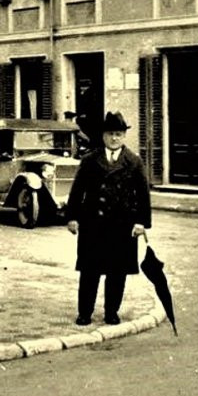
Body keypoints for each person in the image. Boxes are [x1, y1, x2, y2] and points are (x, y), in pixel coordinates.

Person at [65, 111, 151, 326]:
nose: (115, 138)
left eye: (119, 134)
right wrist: (73, 217)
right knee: (89, 272)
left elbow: (143, 195)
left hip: (122, 227)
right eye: (111, 134)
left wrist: (141, 223)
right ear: (103, 135)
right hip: (93, 225)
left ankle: (111, 312)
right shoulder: (90, 160)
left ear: (124, 136)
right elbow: (77, 191)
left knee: (117, 272)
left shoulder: (134, 162)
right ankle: (85, 312)